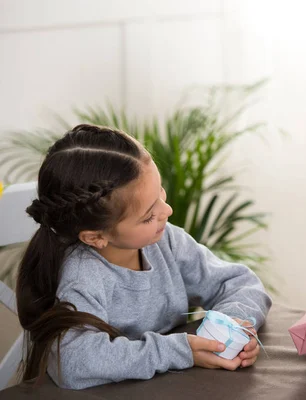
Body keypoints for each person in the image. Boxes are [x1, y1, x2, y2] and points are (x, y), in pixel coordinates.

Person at [16, 124, 272, 390]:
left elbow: (241, 283)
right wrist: (178, 350)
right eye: (149, 215)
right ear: (95, 237)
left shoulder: (167, 241)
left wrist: (231, 328)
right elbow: (74, 363)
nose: (168, 210)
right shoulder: (83, 275)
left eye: (160, 192)